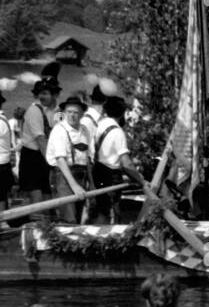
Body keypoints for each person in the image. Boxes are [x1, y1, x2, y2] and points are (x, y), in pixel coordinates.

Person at [88, 96, 147, 225]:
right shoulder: (117, 131)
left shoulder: (99, 126)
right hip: (110, 176)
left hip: (96, 171)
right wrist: (142, 182)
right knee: (112, 212)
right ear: (122, 113)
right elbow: (126, 163)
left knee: (101, 210)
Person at [46, 93, 92, 222]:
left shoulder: (84, 130)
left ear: (82, 114)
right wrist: (74, 186)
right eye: (69, 112)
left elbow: (87, 159)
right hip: (63, 177)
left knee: (77, 216)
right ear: (64, 113)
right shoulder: (60, 130)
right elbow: (61, 160)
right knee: (68, 219)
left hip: (81, 176)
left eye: (76, 112)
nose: (72, 115)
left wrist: (92, 184)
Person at [20, 77, 60, 206]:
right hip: (32, 157)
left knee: (46, 192)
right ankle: (36, 222)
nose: (50, 97)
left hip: (40, 157)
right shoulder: (34, 111)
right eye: (43, 93)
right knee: (36, 195)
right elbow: (40, 139)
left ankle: (46, 221)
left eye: (47, 93)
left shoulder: (46, 111)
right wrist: (52, 161)